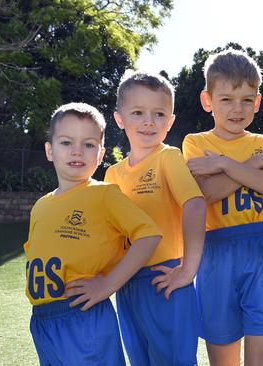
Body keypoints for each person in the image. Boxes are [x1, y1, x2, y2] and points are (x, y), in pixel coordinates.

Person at [182, 49, 263, 366]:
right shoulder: (195, 143)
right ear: (208, 100)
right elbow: (206, 194)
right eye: (226, 100)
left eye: (247, 100)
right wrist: (257, 166)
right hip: (216, 253)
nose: (238, 109)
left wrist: (222, 164)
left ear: (258, 102)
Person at [24, 102, 162, 366]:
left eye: (88, 144)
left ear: (100, 155)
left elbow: (149, 235)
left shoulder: (103, 194)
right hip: (42, 321)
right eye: (66, 142)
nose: (77, 151)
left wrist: (108, 285)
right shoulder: (40, 205)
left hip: (83, 315)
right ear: (49, 150)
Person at [104, 70, 206, 365]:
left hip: (166, 278)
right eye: (138, 112)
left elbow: (195, 205)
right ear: (120, 119)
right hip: (126, 283)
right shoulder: (112, 174)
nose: (149, 121)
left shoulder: (168, 157)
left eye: (159, 114)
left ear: (170, 121)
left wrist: (188, 269)